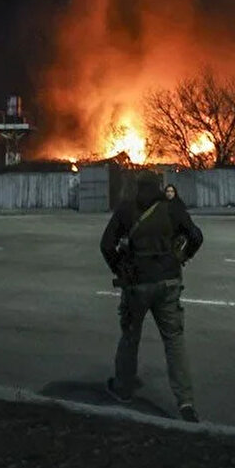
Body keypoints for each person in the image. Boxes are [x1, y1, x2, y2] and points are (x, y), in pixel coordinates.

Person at [100, 173, 204, 422]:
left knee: (130, 337)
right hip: (168, 282)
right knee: (174, 341)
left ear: (137, 187)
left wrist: (119, 268)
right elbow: (196, 237)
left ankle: (123, 389)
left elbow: (106, 245)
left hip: (136, 285)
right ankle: (185, 403)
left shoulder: (127, 210)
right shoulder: (171, 209)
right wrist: (182, 256)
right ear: (159, 187)